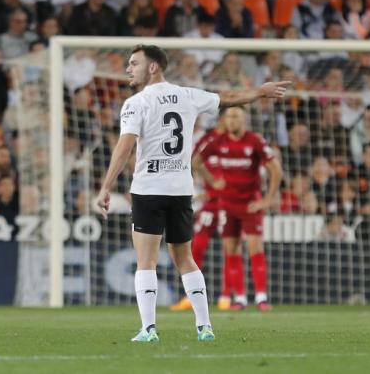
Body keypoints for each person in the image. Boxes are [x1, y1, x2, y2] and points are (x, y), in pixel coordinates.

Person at [95, 44, 289, 342]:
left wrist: (106, 186)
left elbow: (125, 146)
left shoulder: (136, 102)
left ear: (153, 67)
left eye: (134, 63)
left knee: (146, 261)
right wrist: (259, 92)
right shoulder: (188, 95)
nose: (128, 68)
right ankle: (204, 326)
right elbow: (230, 99)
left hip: (148, 189)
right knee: (185, 258)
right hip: (181, 191)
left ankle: (148, 329)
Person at [193, 107, 283, 311]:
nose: (231, 120)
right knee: (231, 250)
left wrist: (267, 199)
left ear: (245, 120)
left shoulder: (255, 141)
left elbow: (275, 169)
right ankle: (240, 298)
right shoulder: (218, 141)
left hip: (250, 204)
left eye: (236, 116)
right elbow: (196, 161)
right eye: (228, 117)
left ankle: (261, 297)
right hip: (226, 204)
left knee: (255, 248)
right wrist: (213, 182)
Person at [169, 116, 231, 312]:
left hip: (231, 202)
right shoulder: (208, 140)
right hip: (211, 202)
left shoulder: (241, 139)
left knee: (231, 248)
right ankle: (190, 295)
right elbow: (194, 163)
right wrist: (208, 185)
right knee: (196, 247)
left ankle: (227, 296)